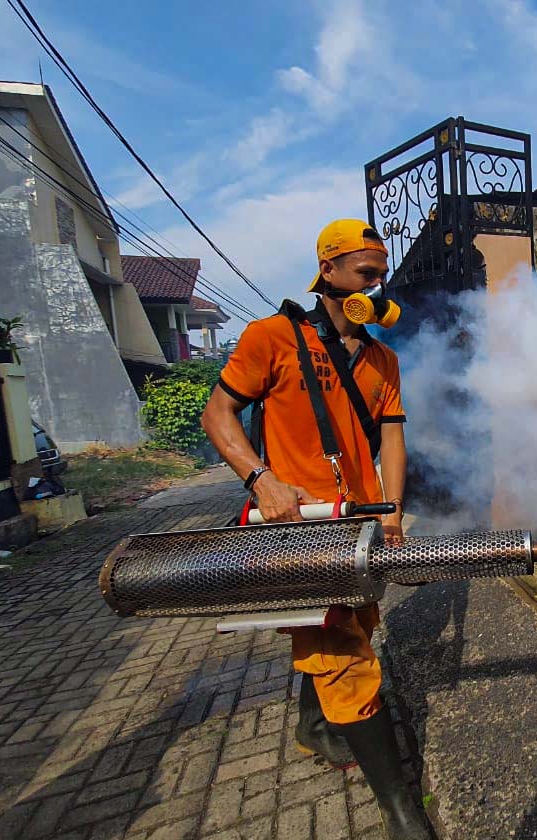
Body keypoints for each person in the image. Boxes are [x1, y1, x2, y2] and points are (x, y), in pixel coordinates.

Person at [201, 219, 430, 840]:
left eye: (382, 275)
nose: (378, 286)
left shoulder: (384, 359)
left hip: (355, 525)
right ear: (328, 272)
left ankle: (313, 727)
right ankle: (400, 809)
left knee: (344, 624)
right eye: (366, 273)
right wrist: (260, 479)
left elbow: (392, 438)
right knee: (346, 654)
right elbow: (218, 413)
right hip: (298, 527)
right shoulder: (271, 337)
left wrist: (391, 506)